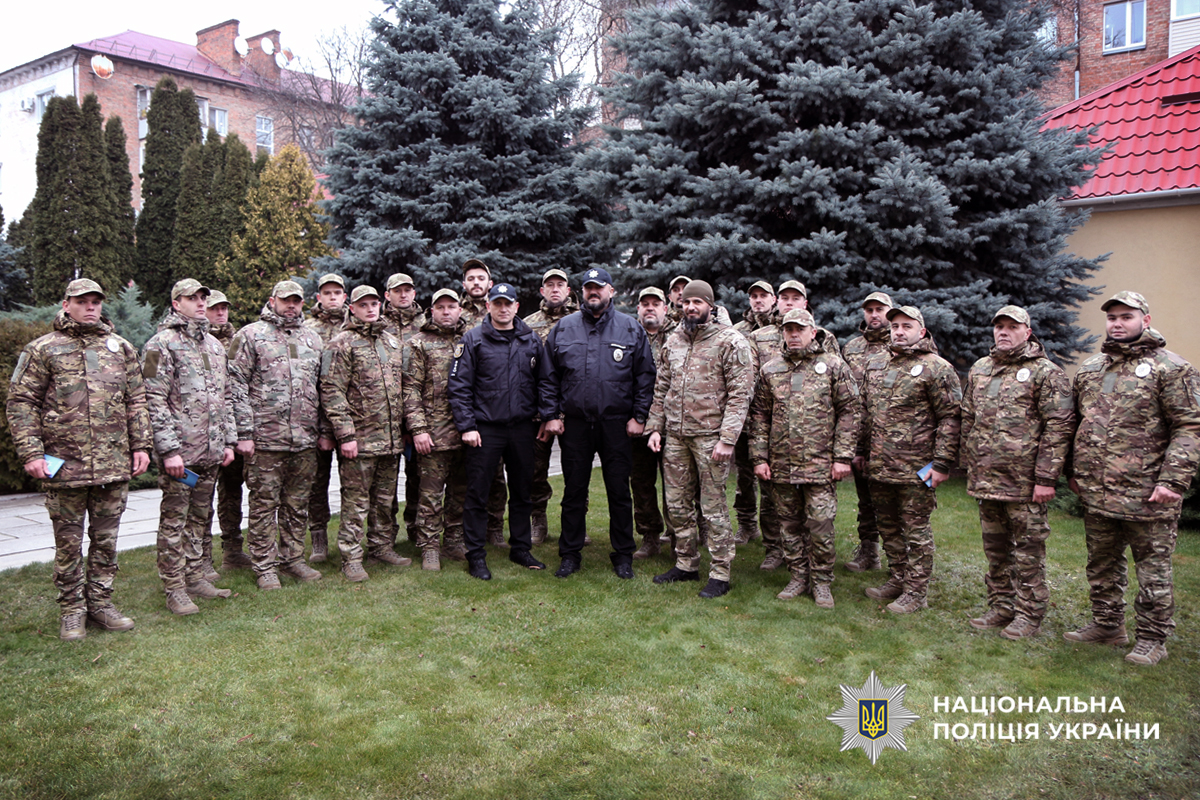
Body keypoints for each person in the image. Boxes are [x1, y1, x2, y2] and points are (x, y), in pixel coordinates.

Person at [6, 278, 151, 641]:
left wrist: (141, 447)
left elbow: (136, 401)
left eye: (96, 301)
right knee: (68, 544)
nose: (90, 307)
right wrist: (31, 452)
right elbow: (21, 403)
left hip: (112, 466)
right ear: (66, 303)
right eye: (82, 301)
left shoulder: (121, 349)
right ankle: (72, 609)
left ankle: (101, 604)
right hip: (64, 465)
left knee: (106, 542)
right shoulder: (43, 350)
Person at [1064, 291, 1200, 665]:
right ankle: (1107, 625)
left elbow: (1190, 427)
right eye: (1112, 318)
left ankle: (1153, 638)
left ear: (1146, 319)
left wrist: (1173, 481)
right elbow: (1077, 424)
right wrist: (1073, 471)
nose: (1118, 323)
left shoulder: (1172, 368)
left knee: (1153, 570)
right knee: (1101, 563)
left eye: (1126, 316)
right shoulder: (1092, 368)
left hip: (1148, 492)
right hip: (1098, 491)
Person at [961, 305, 1074, 639]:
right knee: (996, 550)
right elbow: (969, 416)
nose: (1004, 332)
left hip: (1024, 483)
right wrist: (971, 460)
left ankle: (1029, 614)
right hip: (987, 480)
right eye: (999, 327)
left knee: (1028, 553)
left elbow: (1059, 427)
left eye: (1012, 326)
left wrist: (1046, 477)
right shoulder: (981, 369)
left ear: (1027, 331)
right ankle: (1001, 606)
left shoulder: (1045, 372)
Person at [543, 267, 656, 579]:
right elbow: (548, 377)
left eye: (599, 287)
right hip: (576, 425)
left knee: (619, 491)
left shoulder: (630, 329)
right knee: (574, 491)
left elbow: (645, 377)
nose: (594, 292)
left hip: (617, 424)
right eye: (588, 288)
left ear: (611, 291)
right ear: (581, 292)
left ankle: (622, 556)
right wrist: (552, 415)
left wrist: (640, 416)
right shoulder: (563, 328)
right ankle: (569, 554)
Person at [646, 280, 754, 599]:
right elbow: (662, 387)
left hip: (711, 439)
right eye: (686, 302)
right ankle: (686, 563)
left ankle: (720, 571)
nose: (691, 307)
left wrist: (728, 439)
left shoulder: (730, 341)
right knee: (677, 505)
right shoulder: (674, 340)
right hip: (676, 435)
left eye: (698, 302)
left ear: (710, 304)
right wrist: (655, 427)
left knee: (713, 505)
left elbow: (740, 394)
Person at [749, 309, 860, 608]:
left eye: (799, 329)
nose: (794, 334)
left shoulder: (834, 366)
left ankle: (822, 582)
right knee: (789, 526)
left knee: (821, 524)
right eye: (788, 330)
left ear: (813, 331)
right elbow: (759, 415)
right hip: (782, 464)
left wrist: (843, 457)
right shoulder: (770, 370)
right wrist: (759, 457)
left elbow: (850, 411)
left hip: (821, 464)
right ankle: (798, 576)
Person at [227, 280, 334, 590]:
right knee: (263, 505)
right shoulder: (248, 335)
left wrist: (324, 430)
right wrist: (244, 433)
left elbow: (323, 388)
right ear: (272, 301)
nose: (291, 306)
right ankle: (265, 565)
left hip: (304, 439)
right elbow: (234, 384)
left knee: (296, 503)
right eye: (286, 300)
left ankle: (292, 558)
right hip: (264, 439)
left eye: (297, 301)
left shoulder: (312, 339)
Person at [448, 283, 557, 580]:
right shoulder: (473, 340)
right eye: (497, 303)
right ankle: (476, 554)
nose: (503, 308)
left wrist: (548, 417)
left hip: (523, 428)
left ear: (517, 306)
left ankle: (520, 548)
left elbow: (545, 381)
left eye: (508, 303)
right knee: (478, 493)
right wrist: (467, 426)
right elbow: (459, 388)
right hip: (485, 429)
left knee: (522, 491)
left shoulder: (531, 340)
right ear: (488, 306)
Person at [142, 279, 237, 616]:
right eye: (191, 298)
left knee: (199, 517)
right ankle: (174, 586)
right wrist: (168, 451)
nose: (199, 303)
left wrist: (228, 441)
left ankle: (195, 575)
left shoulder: (213, 346)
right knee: (175, 521)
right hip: (181, 455)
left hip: (210, 452)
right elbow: (152, 399)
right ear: (175, 304)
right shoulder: (159, 345)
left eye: (202, 298)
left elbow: (225, 398)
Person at [858, 305, 961, 614]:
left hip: (918, 469)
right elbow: (866, 413)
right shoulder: (877, 365)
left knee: (916, 532)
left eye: (907, 326)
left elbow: (950, 418)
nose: (899, 331)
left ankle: (916, 591)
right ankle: (898, 577)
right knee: (888, 527)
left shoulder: (936, 368)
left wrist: (941, 464)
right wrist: (862, 451)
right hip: (880, 466)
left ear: (922, 331)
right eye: (895, 326)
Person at [321, 285, 411, 582]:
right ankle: (351, 556)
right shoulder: (341, 344)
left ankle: (381, 546)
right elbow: (332, 391)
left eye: (374, 303)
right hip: (359, 440)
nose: (371, 309)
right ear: (352, 308)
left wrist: (406, 429)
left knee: (385, 500)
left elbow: (403, 388)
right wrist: (345, 435)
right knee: (356, 502)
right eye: (364, 305)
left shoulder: (391, 341)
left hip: (390, 439)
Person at [405, 289, 470, 570]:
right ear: (431, 311)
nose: (446, 312)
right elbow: (410, 389)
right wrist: (418, 429)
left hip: (466, 432)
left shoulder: (471, 339)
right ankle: (429, 545)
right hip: (433, 433)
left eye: (451, 306)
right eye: (440, 307)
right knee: (430, 495)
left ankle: (454, 539)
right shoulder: (418, 343)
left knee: (460, 491)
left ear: (459, 309)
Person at [523, 268, 579, 544]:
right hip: (538, 412)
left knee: (576, 470)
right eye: (550, 285)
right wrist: (544, 412)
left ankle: (576, 523)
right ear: (542, 291)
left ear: (568, 290)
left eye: (560, 285)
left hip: (575, 411)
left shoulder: (581, 321)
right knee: (535, 469)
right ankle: (538, 520)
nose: (555, 289)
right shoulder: (528, 325)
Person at [840, 291, 893, 573]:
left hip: (893, 442)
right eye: (869, 310)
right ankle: (868, 552)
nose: (874, 314)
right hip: (858, 438)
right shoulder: (851, 349)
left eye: (880, 309)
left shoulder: (901, 346)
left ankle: (902, 559)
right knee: (865, 501)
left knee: (894, 504)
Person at [457, 258, 508, 544]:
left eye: (481, 278)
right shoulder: (453, 311)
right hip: (465, 407)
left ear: (489, 284)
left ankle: (495, 527)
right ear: (464, 284)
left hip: (494, 410)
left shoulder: (502, 309)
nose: (476, 283)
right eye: (471, 278)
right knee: (466, 478)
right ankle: (459, 533)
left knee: (496, 476)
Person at [302, 273, 347, 563]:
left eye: (337, 293)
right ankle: (319, 538)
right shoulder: (307, 329)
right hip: (313, 419)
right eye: (326, 293)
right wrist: (321, 426)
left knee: (353, 484)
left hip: (348, 421)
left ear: (345, 296)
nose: (332, 297)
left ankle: (352, 540)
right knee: (316, 485)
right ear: (318, 297)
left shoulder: (354, 326)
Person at [206, 290, 251, 570]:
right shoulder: (181, 342)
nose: (221, 313)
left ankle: (232, 550)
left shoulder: (238, 341)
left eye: (224, 308)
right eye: (215, 308)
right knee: (199, 498)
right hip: (199, 435)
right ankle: (199, 559)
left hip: (231, 432)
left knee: (231, 490)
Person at [631, 287, 677, 559]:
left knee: (675, 483)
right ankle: (649, 536)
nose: (650, 308)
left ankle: (676, 535)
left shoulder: (680, 335)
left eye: (655, 304)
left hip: (672, 423)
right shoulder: (629, 334)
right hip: (638, 421)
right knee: (641, 481)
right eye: (644, 304)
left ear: (665, 308)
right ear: (638, 309)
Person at [382, 272, 427, 546]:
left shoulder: (426, 324)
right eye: (397, 290)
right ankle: (385, 536)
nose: (403, 295)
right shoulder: (377, 323)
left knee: (418, 479)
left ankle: (415, 529)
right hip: (384, 417)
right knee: (385, 483)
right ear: (387, 295)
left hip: (418, 414)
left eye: (407, 290)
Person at [732, 280, 778, 546]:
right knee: (744, 476)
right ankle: (747, 525)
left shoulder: (783, 329)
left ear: (773, 299)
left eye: (764, 295)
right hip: (744, 417)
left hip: (773, 419)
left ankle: (775, 533)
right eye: (754, 296)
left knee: (770, 477)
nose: (758, 300)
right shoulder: (738, 331)